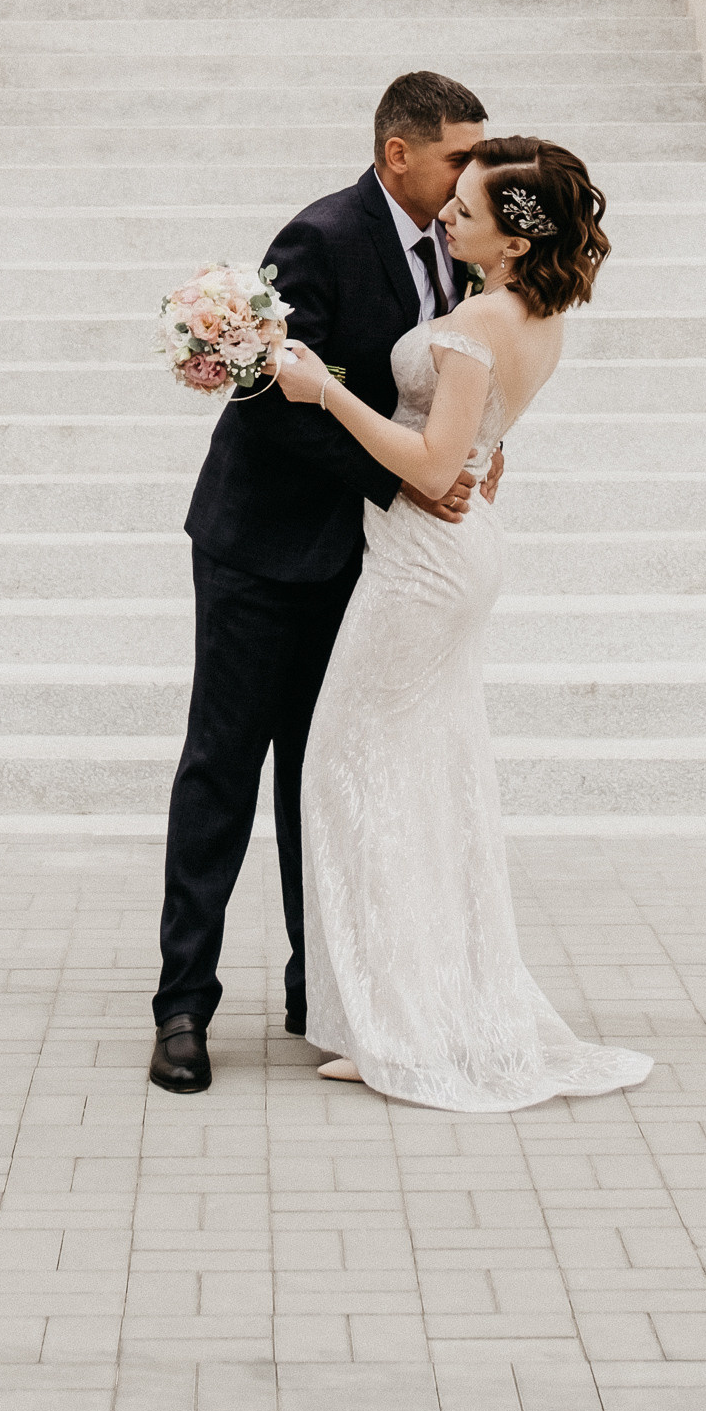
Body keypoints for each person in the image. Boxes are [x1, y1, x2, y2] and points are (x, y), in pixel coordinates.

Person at [270, 134, 652, 1113]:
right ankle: (418, 1009)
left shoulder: (476, 319)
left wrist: (324, 391)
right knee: (424, 776)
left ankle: (399, 1023)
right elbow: (479, 443)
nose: (446, 215)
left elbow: (434, 466)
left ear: (515, 241)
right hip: (457, 548)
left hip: (423, 560)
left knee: (347, 771)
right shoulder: (535, 314)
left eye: (467, 210)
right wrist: (474, 449)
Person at [150, 68, 499, 1095]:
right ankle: (182, 1006)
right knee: (222, 768)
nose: (470, 174)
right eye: (457, 156)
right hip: (258, 550)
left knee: (324, 773)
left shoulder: (460, 249)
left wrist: (471, 451)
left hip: (366, 563)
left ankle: (321, 997)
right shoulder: (322, 235)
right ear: (399, 153)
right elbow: (268, 397)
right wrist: (402, 480)